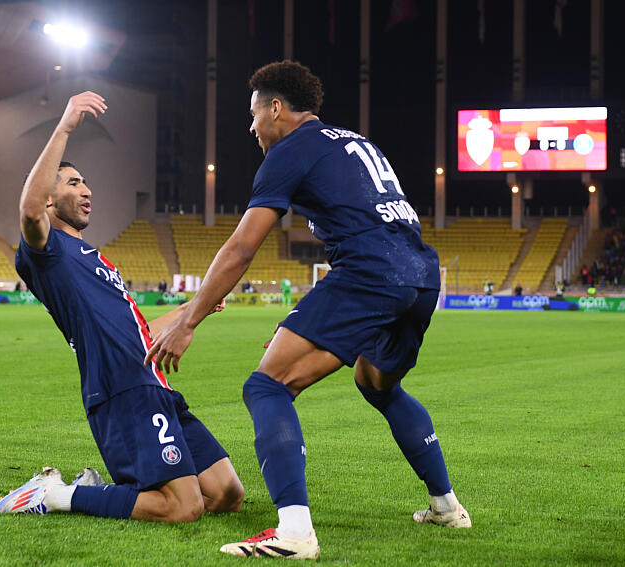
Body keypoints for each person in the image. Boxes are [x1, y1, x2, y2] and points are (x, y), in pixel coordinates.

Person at [147, 61, 470, 560]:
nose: (252, 126)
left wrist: (188, 321)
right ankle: (447, 506)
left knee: (266, 386)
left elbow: (241, 247)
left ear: (277, 107)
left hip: (370, 273)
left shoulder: (289, 149)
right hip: (421, 275)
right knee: (377, 384)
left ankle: (294, 532)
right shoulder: (356, 142)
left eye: (254, 114)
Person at [0, 91, 243, 523]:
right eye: (72, 183)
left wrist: (192, 309)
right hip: (120, 387)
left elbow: (139, 328)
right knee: (184, 508)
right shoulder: (48, 252)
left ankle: (94, 489)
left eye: (86, 183)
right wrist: (66, 125)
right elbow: (29, 209)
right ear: (49, 200)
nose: (86, 190)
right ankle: (55, 495)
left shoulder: (98, 260)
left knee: (226, 494)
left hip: (153, 382)